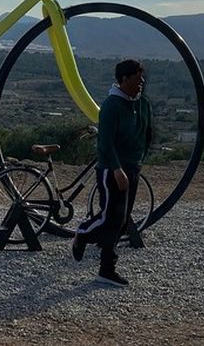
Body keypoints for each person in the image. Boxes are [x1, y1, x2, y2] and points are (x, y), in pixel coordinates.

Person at [71, 58, 152, 286]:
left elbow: (147, 134)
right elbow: (105, 143)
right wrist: (116, 168)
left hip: (132, 167)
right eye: (137, 78)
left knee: (122, 220)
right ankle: (85, 235)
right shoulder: (111, 105)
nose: (141, 82)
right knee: (110, 217)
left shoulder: (143, 103)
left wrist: (139, 160)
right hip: (111, 170)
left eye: (142, 78)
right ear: (123, 79)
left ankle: (105, 268)